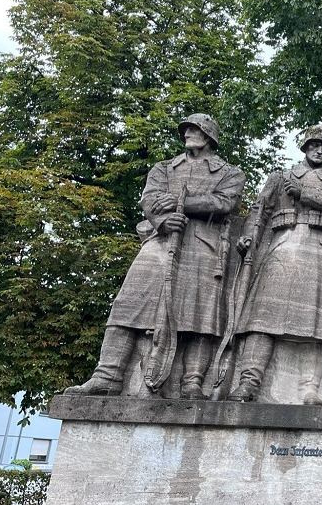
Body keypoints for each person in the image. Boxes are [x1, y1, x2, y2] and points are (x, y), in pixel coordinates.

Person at [66, 114, 244, 399]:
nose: (188, 133)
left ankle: (192, 382)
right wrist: (162, 222)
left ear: (209, 136)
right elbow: (149, 199)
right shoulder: (163, 168)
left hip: (203, 245)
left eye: (194, 129)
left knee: (198, 317)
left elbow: (225, 202)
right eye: (186, 129)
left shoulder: (229, 173)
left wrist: (179, 203)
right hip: (159, 241)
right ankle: (107, 375)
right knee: (129, 304)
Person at [226, 126, 322, 403]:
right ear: (305, 147)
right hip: (281, 247)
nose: (319, 150)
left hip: (321, 250)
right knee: (262, 319)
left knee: (316, 326)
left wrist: (303, 190)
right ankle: (249, 381)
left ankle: (310, 388)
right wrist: (248, 237)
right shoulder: (280, 178)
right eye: (314, 145)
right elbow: (259, 212)